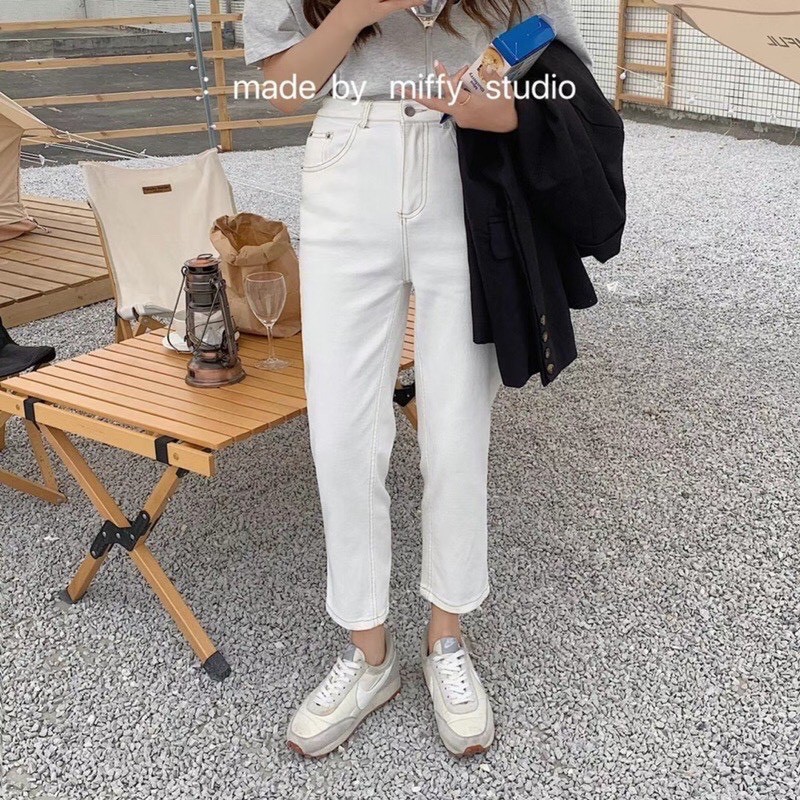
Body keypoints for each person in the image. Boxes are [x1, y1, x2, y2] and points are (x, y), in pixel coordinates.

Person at [243, 0, 591, 758]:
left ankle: (447, 638)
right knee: (340, 428)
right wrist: (353, 14)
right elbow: (280, 91)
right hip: (347, 159)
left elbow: (564, 68)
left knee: (457, 424)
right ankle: (368, 652)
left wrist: (511, 112)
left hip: (466, 164)